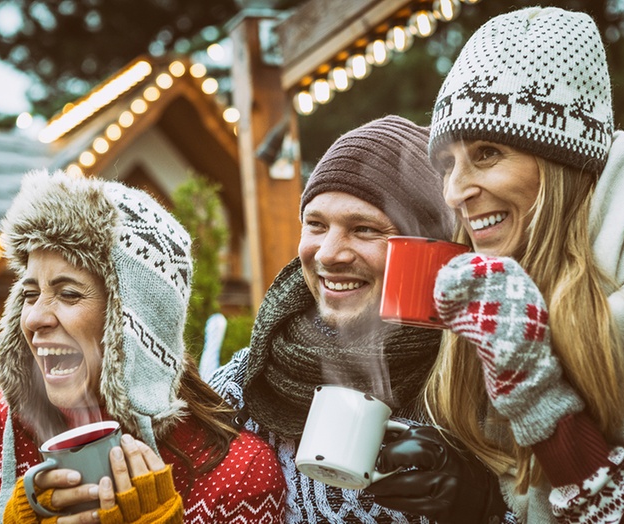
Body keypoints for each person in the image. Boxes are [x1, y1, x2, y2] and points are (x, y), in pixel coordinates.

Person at [369, 6, 624, 523]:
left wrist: (540, 403)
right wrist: (475, 501)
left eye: (486, 153)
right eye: (447, 165)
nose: (456, 192)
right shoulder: (495, 297)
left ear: (562, 162)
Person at [0, 170, 286, 523]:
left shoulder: (239, 474)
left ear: (136, 321)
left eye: (68, 293)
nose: (34, 319)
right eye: (29, 295)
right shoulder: (0, 429)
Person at [208, 115, 506, 523]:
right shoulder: (249, 378)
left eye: (364, 229)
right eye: (315, 224)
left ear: (428, 248)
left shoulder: (493, 378)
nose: (328, 253)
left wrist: (485, 507)